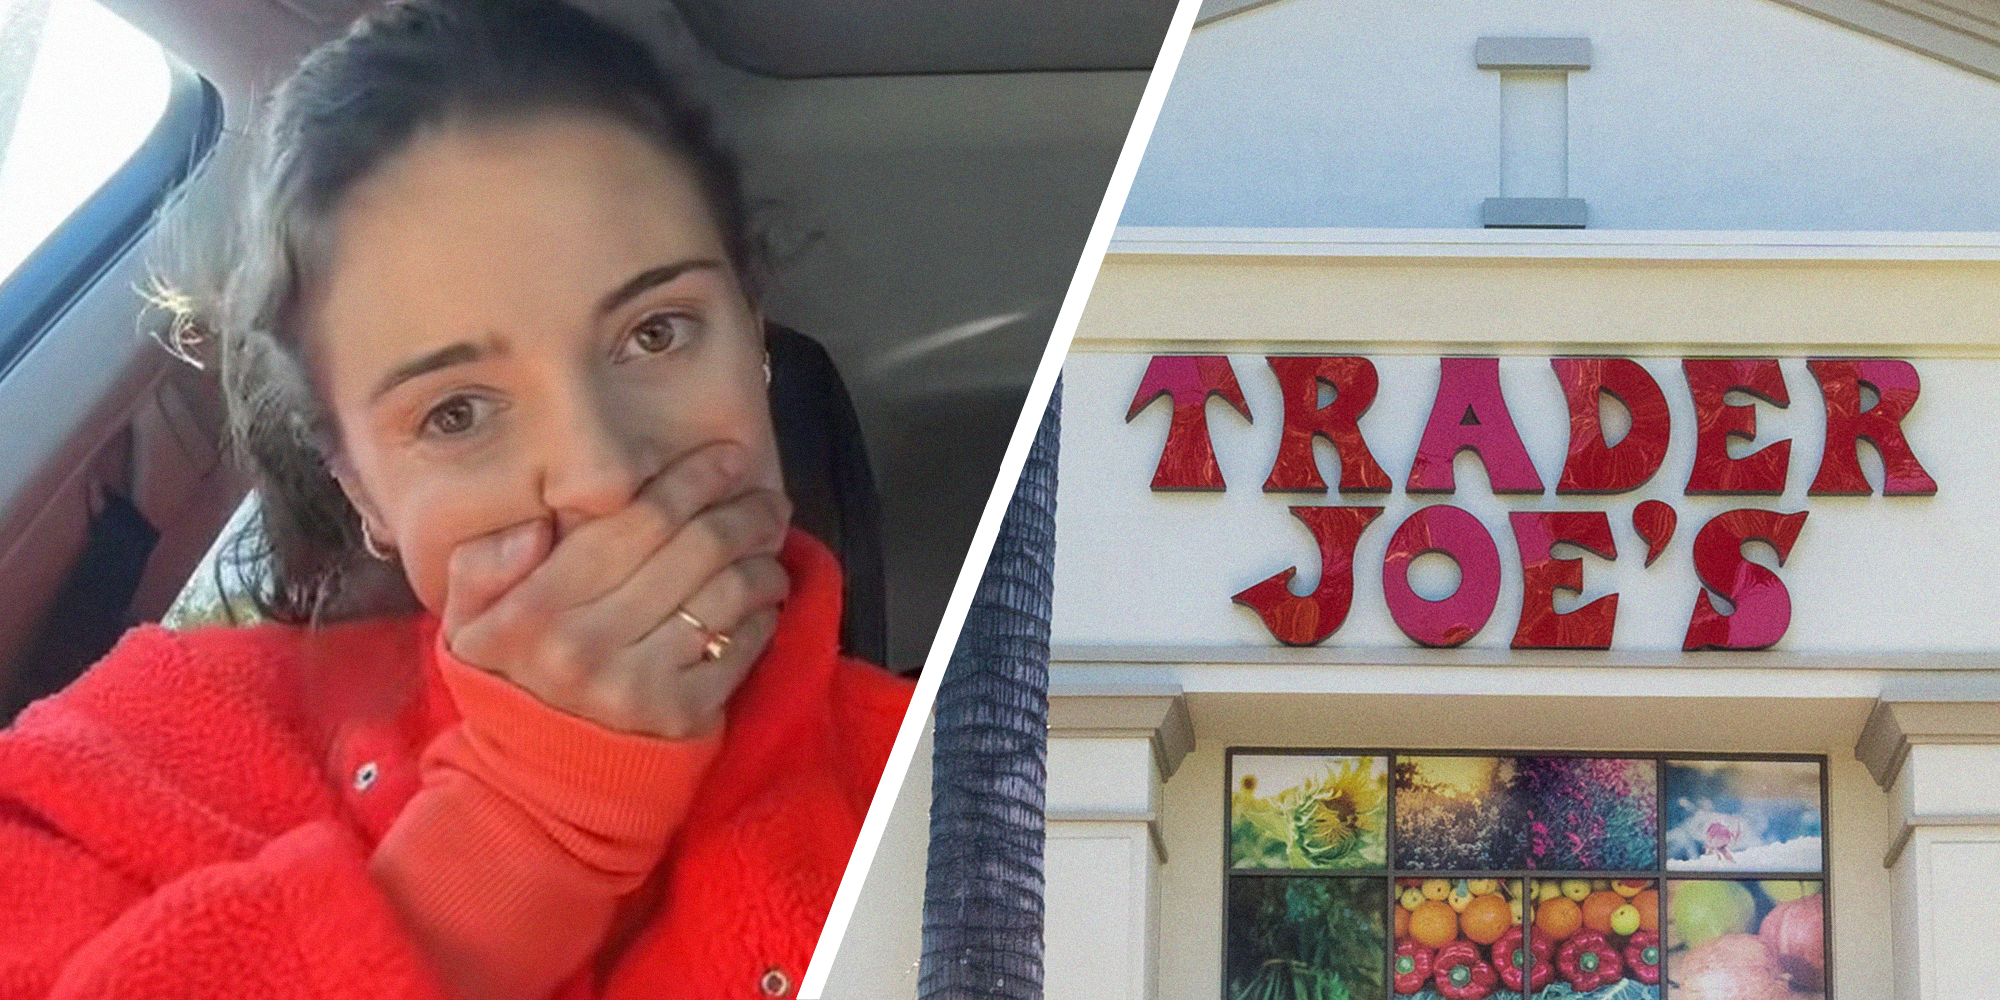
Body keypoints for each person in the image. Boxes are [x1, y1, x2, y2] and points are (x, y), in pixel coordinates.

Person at [0, 2, 913, 998]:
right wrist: (517, 834)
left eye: (655, 333)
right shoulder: (129, 757)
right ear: (363, 491)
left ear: (753, 335)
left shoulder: (966, 785)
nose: (601, 477)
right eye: (456, 413)